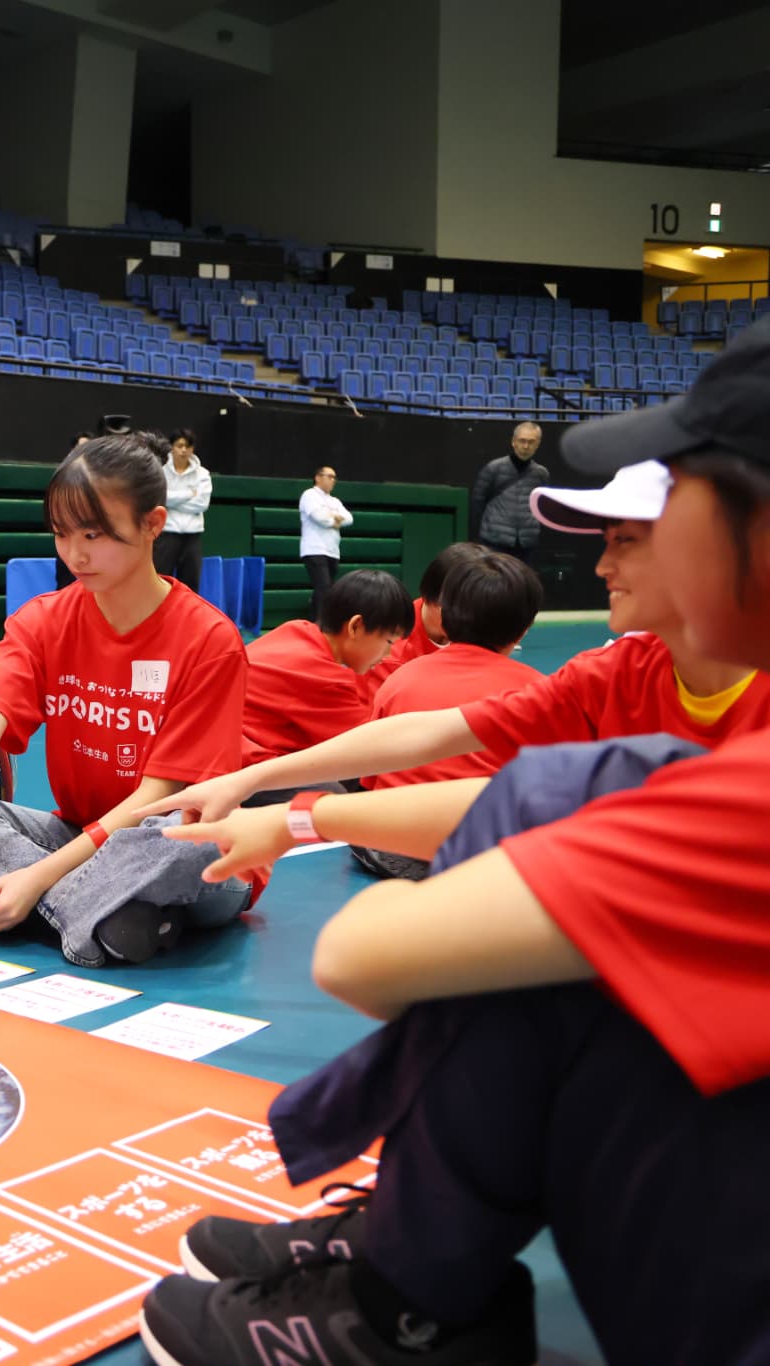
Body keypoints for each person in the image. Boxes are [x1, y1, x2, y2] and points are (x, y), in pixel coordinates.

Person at [132, 323, 770, 1366]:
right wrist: (268, 788)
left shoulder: (704, 773)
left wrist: (300, 814)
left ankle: (407, 1290)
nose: (597, 556)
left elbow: (369, 954)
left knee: (543, 919)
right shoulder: (626, 676)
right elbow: (453, 752)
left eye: (635, 525)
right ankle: (410, 1269)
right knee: (554, 851)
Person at [139, 456, 769, 825]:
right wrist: (262, 797)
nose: (602, 569)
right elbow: (439, 735)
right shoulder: (616, 672)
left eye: (624, 543)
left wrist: (288, 818)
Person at [0, 435, 254, 966]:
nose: (75, 553)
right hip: (76, 834)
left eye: (94, 534)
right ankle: (103, 917)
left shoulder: (208, 640)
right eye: (61, 533)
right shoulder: (44, 620)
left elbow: (159, 799)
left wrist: (37, 875)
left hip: (179, 847)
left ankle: (13, 896)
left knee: (184, 841)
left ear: (153, 524)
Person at [350, 550, 543, 880]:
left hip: (388, 846)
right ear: (523, 630)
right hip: (482, 853)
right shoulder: (540, 691)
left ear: (446, 615)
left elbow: (368, 777)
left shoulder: (399, 678)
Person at [239, 569, 412, 769]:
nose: (388, 654)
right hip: (238, 763)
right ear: (355, 626)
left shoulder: (296, 628)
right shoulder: (326, 679)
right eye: (389, 641)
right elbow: (371, 744)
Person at [363, 541, 496, 691]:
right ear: (430, 597)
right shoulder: (389, 653)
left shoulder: (481, 633)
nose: (469, 620)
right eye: (460, 609)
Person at [470, 420, 548, 563]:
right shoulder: (493, 468)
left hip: (527, 543)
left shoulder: (541, 474)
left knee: (522, 584)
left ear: (538, 444)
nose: (526, 446)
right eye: (522, 441)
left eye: (531, 442)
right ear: (514, 442)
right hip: (495, 541)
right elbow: (477, 503)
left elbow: (542, 507)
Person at [153, 428, 211, 591]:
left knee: (191, 584)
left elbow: (201, 504)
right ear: (172, 447)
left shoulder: (203, 475)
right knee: (160, 581)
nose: (183, 450)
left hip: (192, 537)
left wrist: (172, 500)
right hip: (167, 535)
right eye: (179, 445)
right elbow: (161, 498)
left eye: (187, 446)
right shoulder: (161, 472)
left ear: (192, 449)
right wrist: (188, 494)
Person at [298, 465, 352, 620]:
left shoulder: (335, 501)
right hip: (315, 549)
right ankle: (323, 624)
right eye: (329, 476)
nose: (333, 480)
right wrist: (334, 519)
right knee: (324, 588)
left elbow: (349, 518)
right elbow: (318, 517)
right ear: (318, 477)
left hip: (332, 551)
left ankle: (314, 621)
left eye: (334, 477)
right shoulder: (309, 495)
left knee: (323, 589)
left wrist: (332, 517)